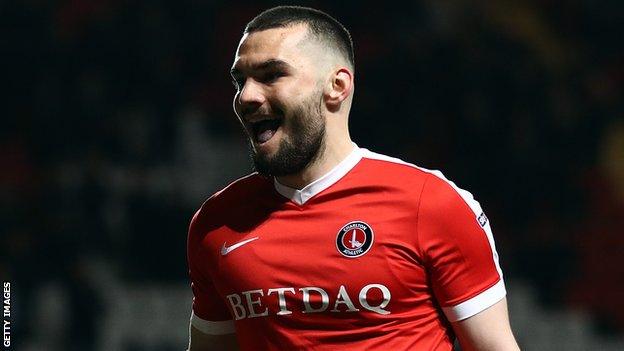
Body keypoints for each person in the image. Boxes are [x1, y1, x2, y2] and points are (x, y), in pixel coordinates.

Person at [187, 5, 519, 351]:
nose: (247, 96)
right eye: (240, 81)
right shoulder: (216, 224)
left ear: (337, 85)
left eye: (271, 75)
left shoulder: (430, 203)